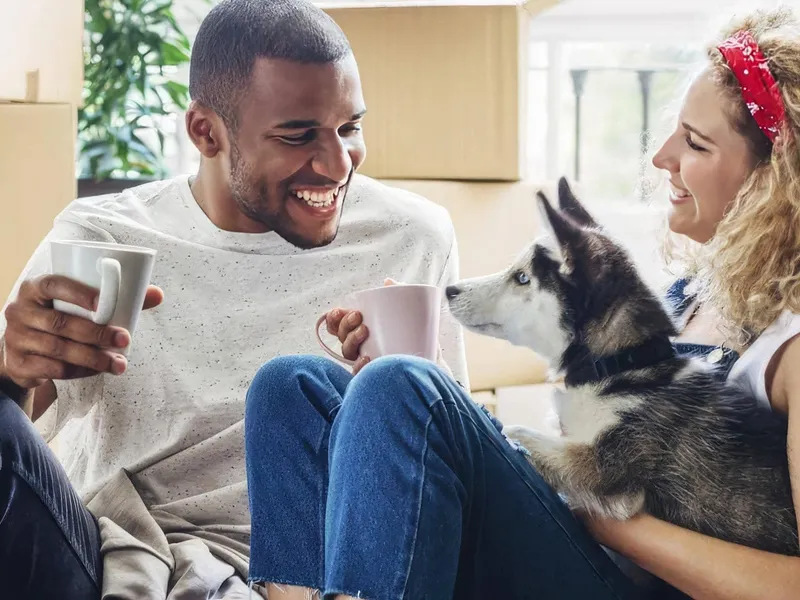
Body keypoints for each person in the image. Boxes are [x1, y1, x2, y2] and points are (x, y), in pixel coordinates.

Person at [244, 6, 800, 600]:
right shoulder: (692, 294)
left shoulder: (790, 345)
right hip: (582, 539)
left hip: (631, 577)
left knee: (402, 388)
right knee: (292, 385)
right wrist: (396, 408)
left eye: (694, 143)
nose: (662, 156)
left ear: (776, 179)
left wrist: (608, 518)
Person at [0, 1, 468, 598]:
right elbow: (18, 427)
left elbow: (453, 463)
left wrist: (386, 399)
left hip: (323, 568)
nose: (336, 165)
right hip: (107, 555)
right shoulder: (103, 237)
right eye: (298, 135)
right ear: (205, 131)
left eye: (349, 128)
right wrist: (10, 367)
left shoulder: (412, 238)